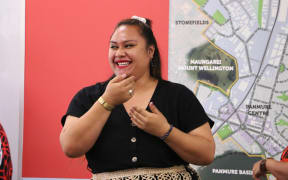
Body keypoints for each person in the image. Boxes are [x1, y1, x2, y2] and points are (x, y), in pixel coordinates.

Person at [60, 15, 215, 180]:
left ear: (150, 51)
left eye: (129, 45)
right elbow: (70, 147)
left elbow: (206, 154)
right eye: (113, 47)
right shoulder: (88, 97)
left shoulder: (178, 95)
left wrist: (165, 131)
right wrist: (107, 101)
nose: (119, 53)